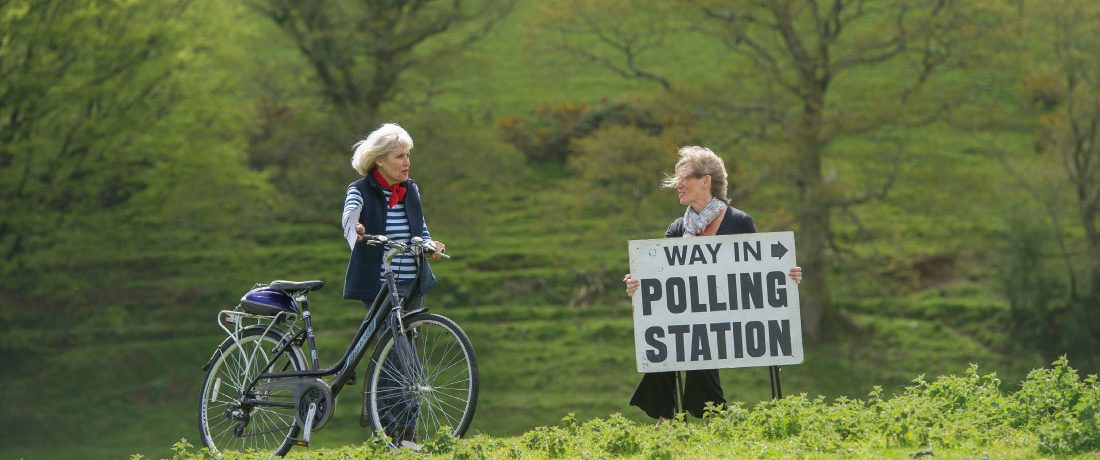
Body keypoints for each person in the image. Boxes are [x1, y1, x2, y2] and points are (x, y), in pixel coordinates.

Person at [623, 146, 802, 425]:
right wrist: (639, 285)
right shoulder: (676, 231)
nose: (677, 185)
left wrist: (785, 277)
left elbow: (759, 271)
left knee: (693, 338)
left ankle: (676, 418)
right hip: (691, 319)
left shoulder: (739, 222)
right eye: (677, 179)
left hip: (731, 317)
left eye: (685, 178)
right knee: (683, 336)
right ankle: (701, 417)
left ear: (706, 181)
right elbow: (664, 280)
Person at [340, 122, 445, 441]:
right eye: (399, 156)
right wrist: (356, 231)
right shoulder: (359, 190)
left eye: (408, 155)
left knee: (399, 357)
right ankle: (396, 431)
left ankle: (393, 429)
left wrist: (431, 246)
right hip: (380, 288)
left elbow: (420, 229)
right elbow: (349, 220)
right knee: (400, 360)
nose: (406, 162)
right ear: (380, 161)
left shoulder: (411, 190)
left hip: (412, 288)